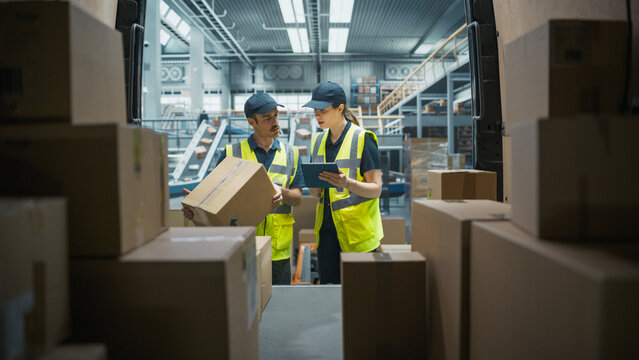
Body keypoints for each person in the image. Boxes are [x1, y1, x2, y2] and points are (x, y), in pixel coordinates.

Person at [184, 93, 305, 285]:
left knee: (279, 308)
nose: (275, 121)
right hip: (241, 248)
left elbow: (298, 199)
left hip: (278, 251)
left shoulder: (292, 154)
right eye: (267, 118)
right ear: (252, 122)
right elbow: (213, 197)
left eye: (276, 115)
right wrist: (196, 207)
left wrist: (283, 193)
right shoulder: (232, 154)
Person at [303, 81, 383, 284]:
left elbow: (376, 190)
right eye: (315, 111)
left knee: (360, 297)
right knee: (330, 294)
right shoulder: (317, 141)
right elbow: (317, 194)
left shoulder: (363, 139)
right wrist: (313, 184)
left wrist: (346, 183)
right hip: (327, 232)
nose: (317, 115)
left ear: (340, 108)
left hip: (357, 234)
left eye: (323, 110)